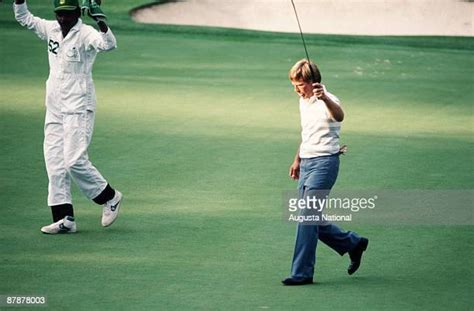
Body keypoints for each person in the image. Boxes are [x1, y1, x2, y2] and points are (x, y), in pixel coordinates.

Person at [13, 0, 123, 234]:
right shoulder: (51, 28)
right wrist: (19, 1)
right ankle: (64, 219)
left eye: (68, 14)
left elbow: (108, 45)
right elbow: (25, 18)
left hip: (78, 107)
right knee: (54, 162)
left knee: (73, 161)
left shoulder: (86, 33)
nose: (63, 19)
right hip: (54, 106)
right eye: (59, 14)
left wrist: (101, 21)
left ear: (76, 13)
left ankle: (109, 197)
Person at [282, 59, 368, 285]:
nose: (296, 90)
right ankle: (353, 243)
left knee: (307, 216)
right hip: (307, 162)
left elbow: (339, 116)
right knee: (311, 218)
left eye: (299, 85)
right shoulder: (303, 102)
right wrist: (297, 159)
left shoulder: (328, 101)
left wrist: (325, 98)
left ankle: (301, 274)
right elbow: (307, 134)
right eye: (294, 84)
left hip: (325, 164)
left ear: (312, 82)